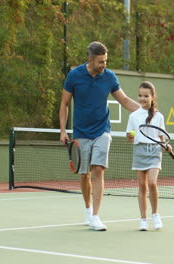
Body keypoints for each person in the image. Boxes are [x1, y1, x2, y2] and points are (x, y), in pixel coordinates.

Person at [59, 41, 139, 231]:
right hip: (81, 133)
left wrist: (148, 111)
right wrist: (63, 130)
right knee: (84, 174)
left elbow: (125, 100)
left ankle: (95, 216)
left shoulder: (109, 77)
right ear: (90, 60)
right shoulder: (74, 76)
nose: (104, 65)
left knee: (98, 170)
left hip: (103, 130)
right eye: (101, 62)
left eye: (105, 61)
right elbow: (64, 104)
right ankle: (88, 209)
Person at [126, 81, 172, 231]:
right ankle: (143, 220)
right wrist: (130, 137)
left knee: (152, 183)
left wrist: (165, 145)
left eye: (146, 96)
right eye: (140, 96)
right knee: (142, 186)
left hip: (154, 151)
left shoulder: (159, 116)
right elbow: (130, 136)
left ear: (152, 97)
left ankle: (155, 215)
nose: (142, 99)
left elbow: (161, 136)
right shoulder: (133, 116)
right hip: (139, 150)